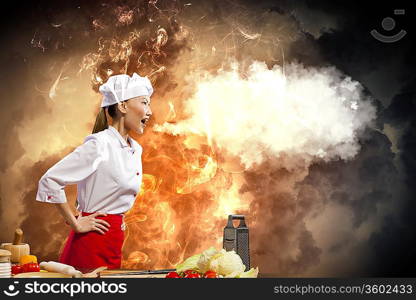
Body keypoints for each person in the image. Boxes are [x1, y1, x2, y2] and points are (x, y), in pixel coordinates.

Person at [36, 73, 153, 270]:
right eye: (144, 103)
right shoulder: (99, 144)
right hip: (90, 244)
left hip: (113, 241)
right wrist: (75, 222)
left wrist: (117, 219)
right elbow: (50, 180)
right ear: (123, 106)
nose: (149, 111)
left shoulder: (135, 149)